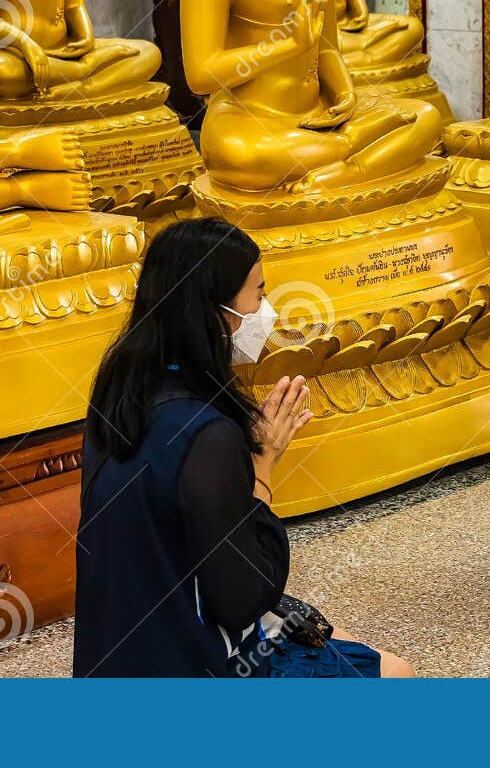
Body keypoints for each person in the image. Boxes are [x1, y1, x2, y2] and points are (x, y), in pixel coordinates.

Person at [72, 217, 413, 678]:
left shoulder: (118, 396)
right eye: (258, 294)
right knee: (397, 673)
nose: (266, 311)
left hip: (114, 659)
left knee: (340, 635)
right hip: (192, 668)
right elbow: (243, 598)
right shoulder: (209, 434)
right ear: (214, 310)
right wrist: (264, 466)